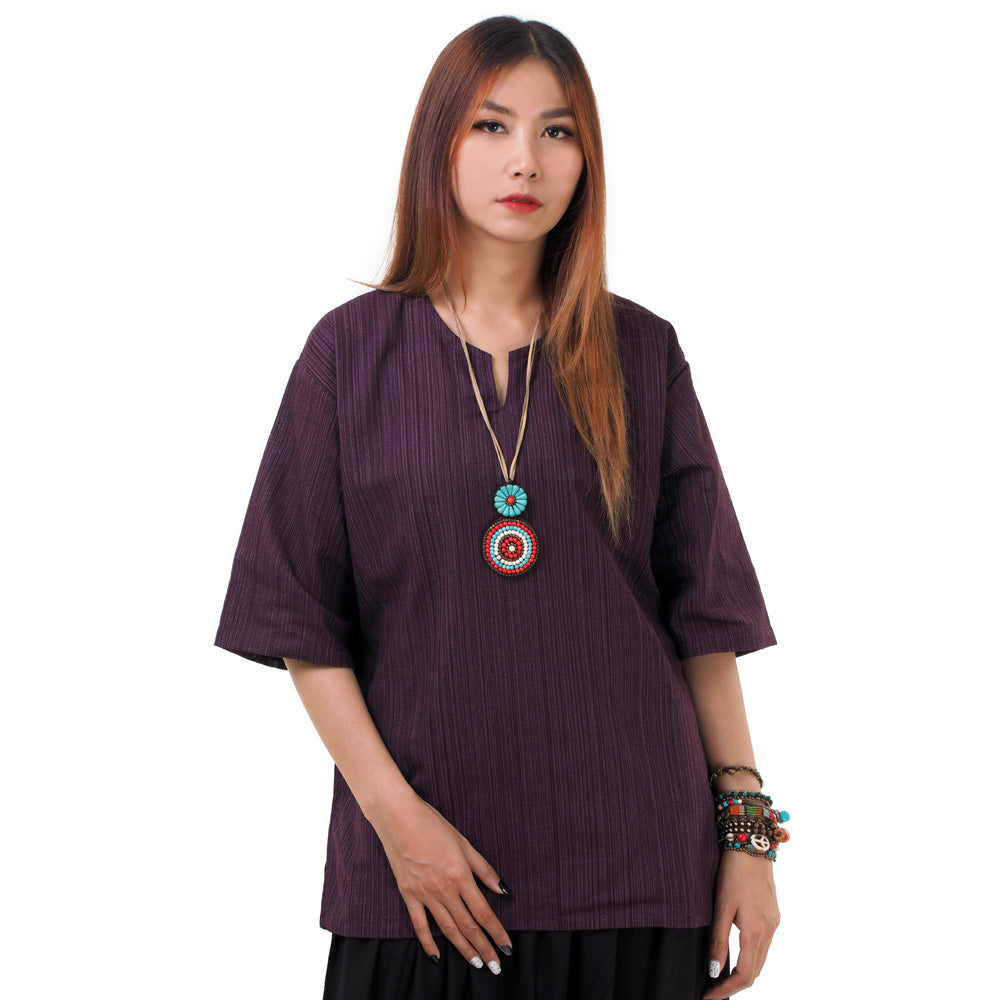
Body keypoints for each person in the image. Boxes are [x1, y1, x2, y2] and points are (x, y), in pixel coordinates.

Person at [214, 15, 787, 1000]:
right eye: (491, 125)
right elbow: (302, 625)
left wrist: (748, 840)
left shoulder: (642, 352)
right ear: (437, 143)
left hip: (641, 869)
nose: (526, 159)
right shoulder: (349, 355)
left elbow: (704, 619)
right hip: (422, 882)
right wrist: (400, 823)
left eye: (558, 131)